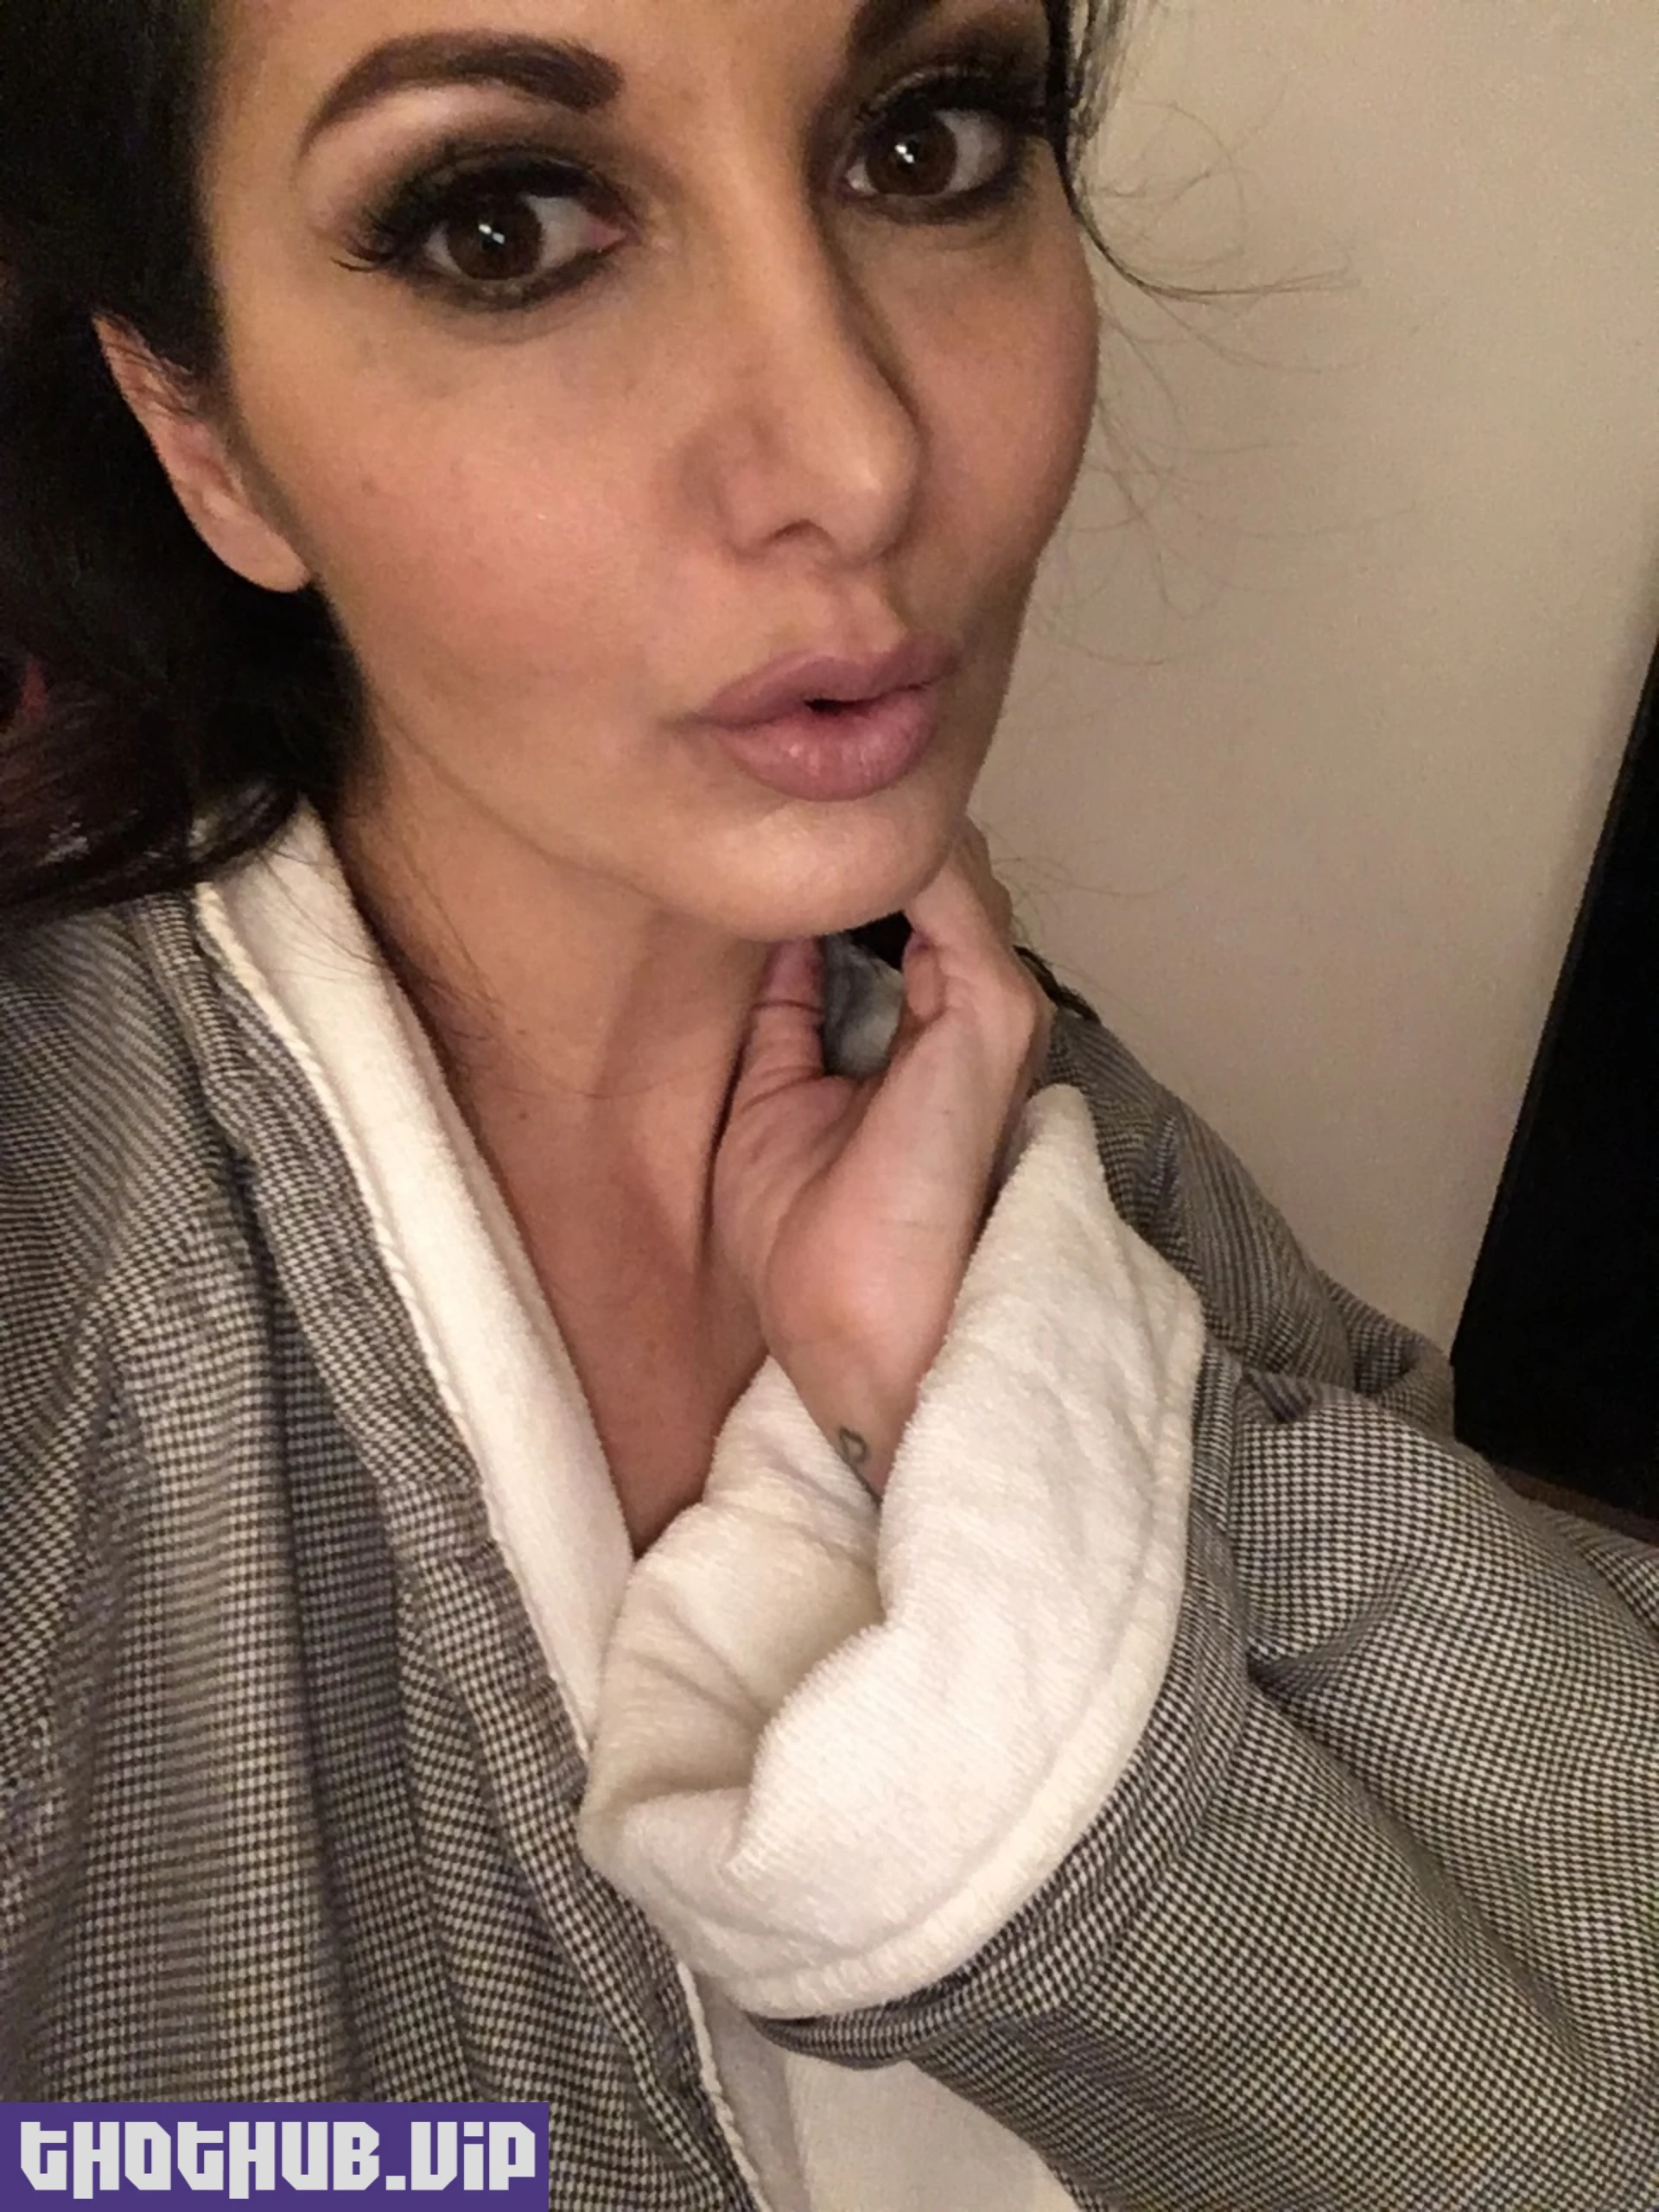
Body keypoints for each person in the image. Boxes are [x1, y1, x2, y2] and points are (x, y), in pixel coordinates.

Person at [0, 0, 1654, 2204]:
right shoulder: (61, 1283)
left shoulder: (1055, 1127)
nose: (860, 456)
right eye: (505, 225)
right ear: (203, 436)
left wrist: (944, 1395)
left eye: (925, 144)